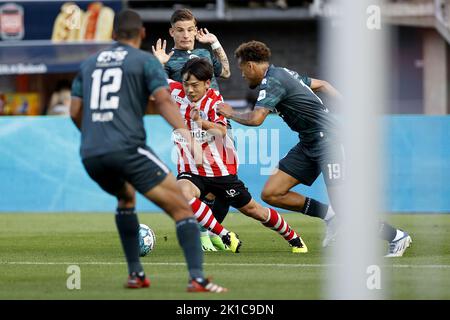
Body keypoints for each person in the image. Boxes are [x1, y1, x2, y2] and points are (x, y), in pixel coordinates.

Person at [69, 9, 227, 293]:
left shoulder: (89, 64)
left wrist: (91, 136)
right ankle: (197, 279)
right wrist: (190, 140)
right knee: (181, 205)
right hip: (126, 148)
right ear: (142, 34)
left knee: (126, 199)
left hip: (91, 153)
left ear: (113, 34)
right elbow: (165, 102)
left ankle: (136, 275)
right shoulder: (143, 61)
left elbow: (74, 110)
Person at [217, 40, 412, 257]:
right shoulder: (283, 73)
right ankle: (331, 218)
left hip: (330, 142)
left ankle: (396, 236)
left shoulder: (272, 81)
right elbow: (323, 84)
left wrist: (229, 112)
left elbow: (256, 119)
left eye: (242, 69)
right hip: (309, 142)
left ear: (250, 65)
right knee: (272, 193)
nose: (242, 75)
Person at [170, 57, 308, 253]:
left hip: (220, 172)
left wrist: (201, 122)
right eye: (186, 84)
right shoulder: (175, 91)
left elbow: (221, 131)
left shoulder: (214, 101)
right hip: (191, 170)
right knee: (181, 193)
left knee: (254, 210)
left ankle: (294, 238)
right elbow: (152, 81)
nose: (189, 90)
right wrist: (157, 63)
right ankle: (225, 235)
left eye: (195, 85)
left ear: (207, 83)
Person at [152, 8, 232, 251]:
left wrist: (215, 43)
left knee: (224, 188)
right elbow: (155, 90)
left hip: (219, 125)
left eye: (190, 29)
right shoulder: (169, 60)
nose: (186, 35)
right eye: (180, 30)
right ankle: (204, 235)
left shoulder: (204, 53)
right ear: (171, 32)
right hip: (193, 129)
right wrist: (158, 65)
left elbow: (226, 72)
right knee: (200, 186)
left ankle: (207, 230)